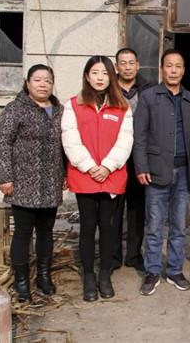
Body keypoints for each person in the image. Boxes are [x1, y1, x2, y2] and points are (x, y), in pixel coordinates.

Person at [61, 56, 133, 301]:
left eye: (105, 73)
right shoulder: (74, 105)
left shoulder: (122, 106)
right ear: (86, 76)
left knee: (109, 227)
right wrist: (91, 167)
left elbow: (125, 140)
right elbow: (70, 140)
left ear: (111, 77)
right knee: (88, 227)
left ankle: (105, 274)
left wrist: (108, 166)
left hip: (111, 175)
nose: (100, 78)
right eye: (95, 72)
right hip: (85, 176)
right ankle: (89, 276)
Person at [0, 65, 66, 302]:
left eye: (47, 80)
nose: (43, 84)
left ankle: (44, 276)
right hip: (23, 182)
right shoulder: (15, 109)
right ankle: (22, 283)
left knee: (46, 232)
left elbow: (64, 145)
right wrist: (5, 177)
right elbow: (3, 144)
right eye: (37, 80)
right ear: (27, 83)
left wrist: (65, 174)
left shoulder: (59, 110)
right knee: (23, 233)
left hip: (50, 181)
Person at [133, 49, 190, 296]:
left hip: (183, 172)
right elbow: (139, 135)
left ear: (184, 70)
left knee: (179, 226)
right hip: (156, 170)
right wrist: (141, 166)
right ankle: (152, 271)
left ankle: (174, 270)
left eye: (178, 66)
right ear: (162, 69)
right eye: (169, 65)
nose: (173, 70)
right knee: (155, 225)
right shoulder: (149, 97)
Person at [113, 48, 151, 272]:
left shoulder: (148, 89)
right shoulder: (108, 90)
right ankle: (113, 255)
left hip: (138, 158)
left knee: (137, 209)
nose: (127, 67)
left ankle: (134, 254)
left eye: (131, 63)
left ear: (138, 65)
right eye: (122, 63)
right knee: (114, 209)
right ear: (116, 67)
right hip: (114, 158)